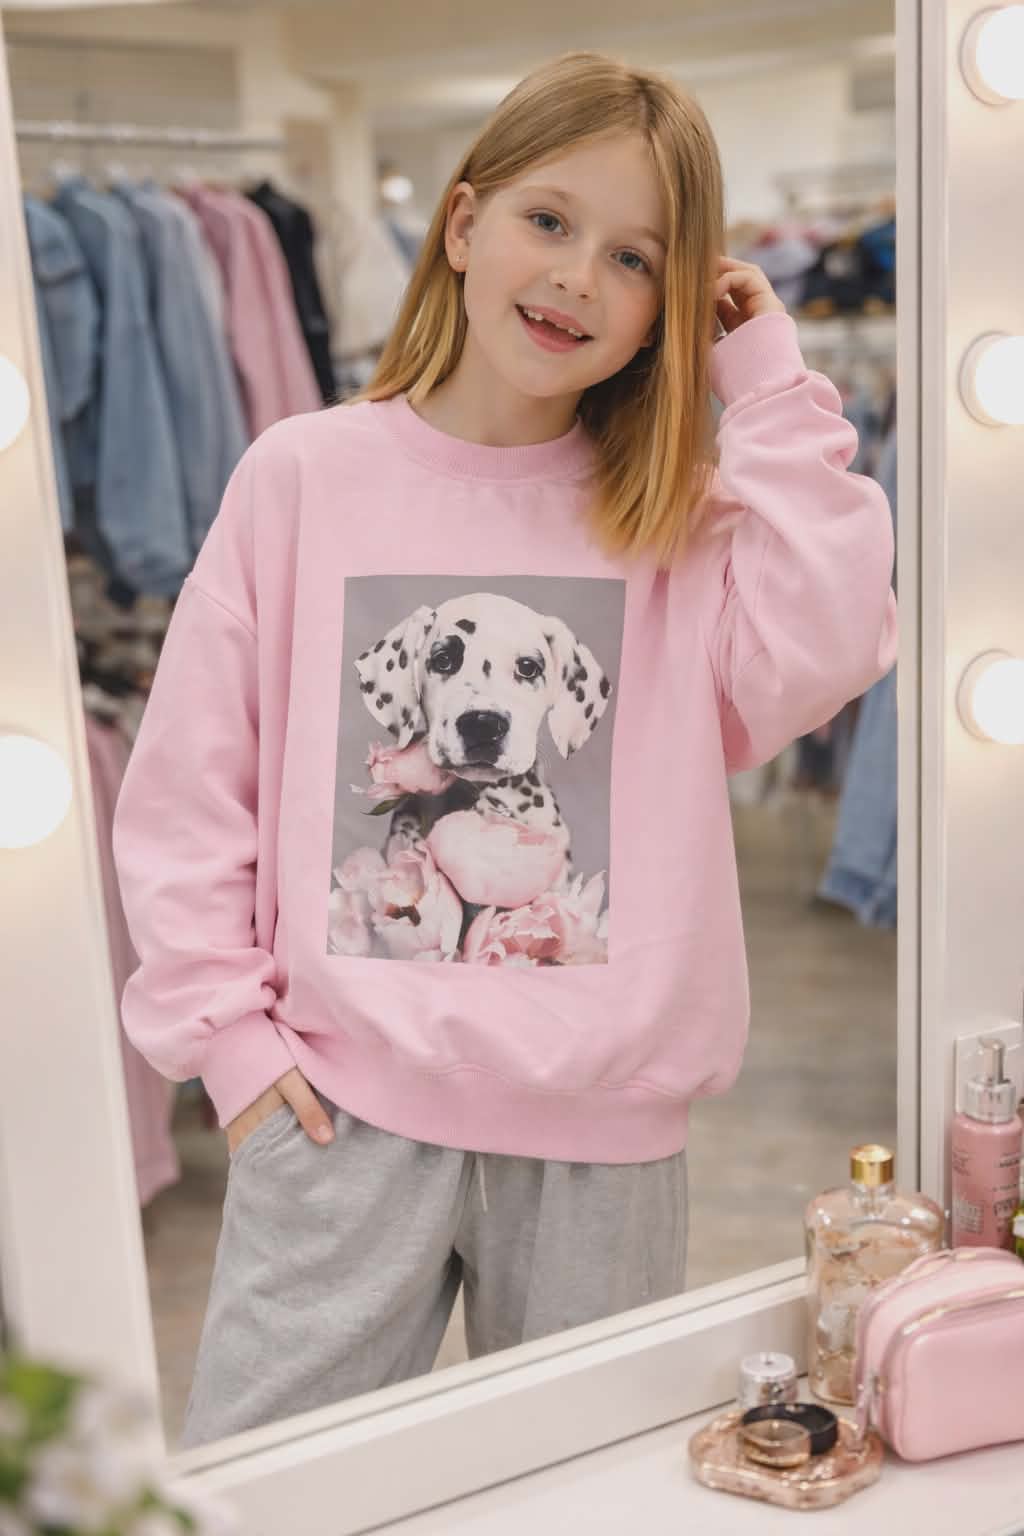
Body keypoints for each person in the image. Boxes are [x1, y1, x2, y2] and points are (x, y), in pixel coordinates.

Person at [112, 51, 898, 1449]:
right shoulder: (303, 476)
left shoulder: (680, 519)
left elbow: (835, 641)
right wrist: (226, 1044)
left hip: (604, 1141)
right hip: (337, 1112)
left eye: (635, 258)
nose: (579, 278)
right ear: (464, 225)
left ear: (670, 305)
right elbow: (187, 787)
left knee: (581, 1497)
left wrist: (770, 387)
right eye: (549, 221)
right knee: (267, 1490)